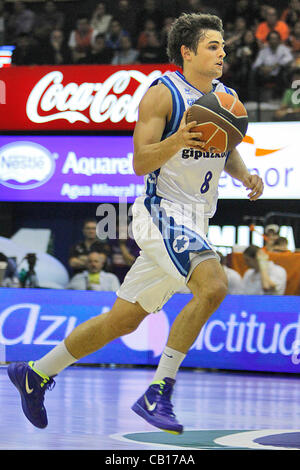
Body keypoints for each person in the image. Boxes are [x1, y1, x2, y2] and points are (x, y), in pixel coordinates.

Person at [7, 12, 263, 434]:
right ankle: (158, 390)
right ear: (187, 52)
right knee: (213, 285)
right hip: (160, 210)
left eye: (223, 46)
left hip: (195, 218)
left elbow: (226, 147)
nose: (223, 53)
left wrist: (245, 174)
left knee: (122, 321)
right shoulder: (162, 95)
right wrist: (177, 139)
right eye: (213, 46)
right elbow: (139, 161)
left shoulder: (226, 97)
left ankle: (35, 373)